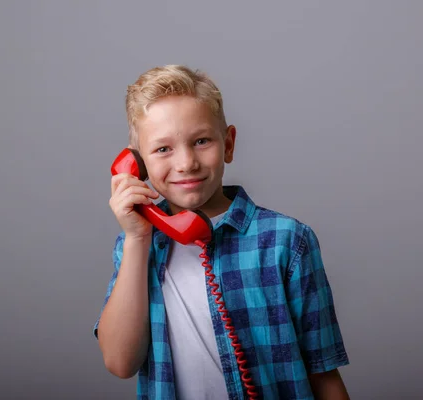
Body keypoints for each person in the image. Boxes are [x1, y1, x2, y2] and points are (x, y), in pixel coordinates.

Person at [93, 65, 350, 399]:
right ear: (137, 164)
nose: (186, 163)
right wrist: (137, 239)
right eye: (162, 149)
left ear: (228, 144)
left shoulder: (287, 241)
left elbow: (323, 372)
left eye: (201, 141)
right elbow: (120, 362)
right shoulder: (135, 247)